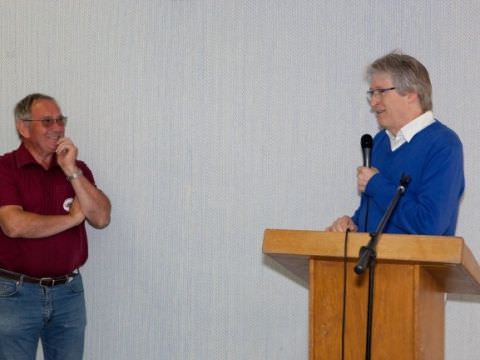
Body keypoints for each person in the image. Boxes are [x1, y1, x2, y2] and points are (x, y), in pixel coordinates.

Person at [0, 93, 111, 359]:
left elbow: (101, 218)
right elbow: (13, 225)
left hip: (69, 293)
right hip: (16, 293)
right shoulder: (5, 168)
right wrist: (71, 219)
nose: (58, 128)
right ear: (23, 127)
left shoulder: (77, 170)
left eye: (60, 120)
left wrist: (71, 170)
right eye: (47, 121)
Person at [327, 52, 464, 235]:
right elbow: (376, 213)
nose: (373, 102)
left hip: (420, 262)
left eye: (380, 92)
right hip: (372, 262)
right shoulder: (380, 142)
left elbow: (430, 224)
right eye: (371, 93)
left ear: (410, 94)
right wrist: (352, 225)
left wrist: (376, 184)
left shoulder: (443, 145)